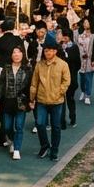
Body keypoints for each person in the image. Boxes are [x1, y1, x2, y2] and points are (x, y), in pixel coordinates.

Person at [30, 33, 70, 162]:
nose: (48, 53)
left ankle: (54, 150)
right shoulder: (39, 65)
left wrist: (59, 92)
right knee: (40, 123)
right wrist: (32, 98)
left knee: (56, 126)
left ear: (55, 51)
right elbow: (34, 83)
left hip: (57, 101)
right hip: (41, 100)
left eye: (51, 50)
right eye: (46, 50)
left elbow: (66, 81)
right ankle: (45, 146)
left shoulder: (62, 64)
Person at [0, 46, 31, 160]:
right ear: (11, 55)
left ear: (23, 54)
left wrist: (31, 100)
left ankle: (17, 149)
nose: (16, 55)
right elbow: (1, 85)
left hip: (21, 102)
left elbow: (30, 86)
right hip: (7, 101)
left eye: (19, 52)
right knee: (7, 127)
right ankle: (12, 140)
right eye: (14, 52)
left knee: (19, 126)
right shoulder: (6, 68)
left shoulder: (27, 69)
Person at [59, 28, 81, 129]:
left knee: (70, 99)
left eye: (66, 36)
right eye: (63, 36)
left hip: (71, 77)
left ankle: (73, 119)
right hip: (60, 78)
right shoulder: (59, 47)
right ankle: (62, 121)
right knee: (61, 101)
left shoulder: (74, 47)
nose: (64, 38)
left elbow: (78, 63)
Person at [77, 17, 94, 106]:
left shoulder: (93, 36)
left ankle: (88, 95)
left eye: (87, 22)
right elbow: (78, 46)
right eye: (84, 23)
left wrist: (91, 56)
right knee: (82, 77)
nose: (85, 24)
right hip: (81, 60)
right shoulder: (80, 36)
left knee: (88, 77)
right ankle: (83, 91)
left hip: (90, 60)